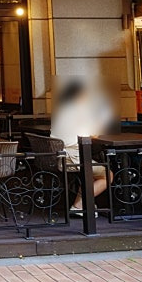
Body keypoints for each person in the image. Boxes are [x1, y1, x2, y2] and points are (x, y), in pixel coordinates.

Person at [49, 77, 114, 216]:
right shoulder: (78, 111)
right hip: (73, 159)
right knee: (107, 175)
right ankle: (79, 205)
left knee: (90, 172)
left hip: (58, 158)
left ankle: (80, 205)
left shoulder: (62, 111)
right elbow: (91, 134)